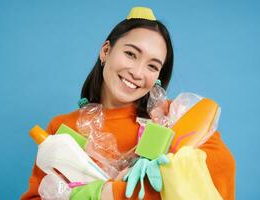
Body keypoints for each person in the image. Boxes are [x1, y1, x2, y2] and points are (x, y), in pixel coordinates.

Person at [21, 7, 235, 200]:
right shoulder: (64, 129)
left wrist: (111, 194)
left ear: (158, 76)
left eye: (152, 66)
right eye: (131, 54)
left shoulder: (173, 117)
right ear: (106, 51)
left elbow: (219, 171)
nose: (137, 72)